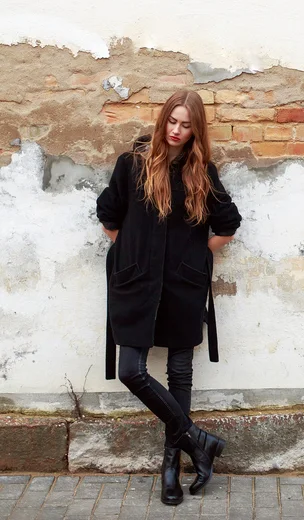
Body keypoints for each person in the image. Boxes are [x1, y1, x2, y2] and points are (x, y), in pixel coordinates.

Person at [96, 90, 242, 506]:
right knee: (131, 369)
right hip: (136, 283)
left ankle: (171, 466)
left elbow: (228, 224)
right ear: (162, 122)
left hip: (183, 285)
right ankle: (198, 442)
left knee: (180, 373)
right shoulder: (133, 165)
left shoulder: (202, 172)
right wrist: (132, 254)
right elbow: (109, 214)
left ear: (196, 130)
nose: (176, 131)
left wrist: (195, 257)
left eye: (186, 125)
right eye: (171, 122)